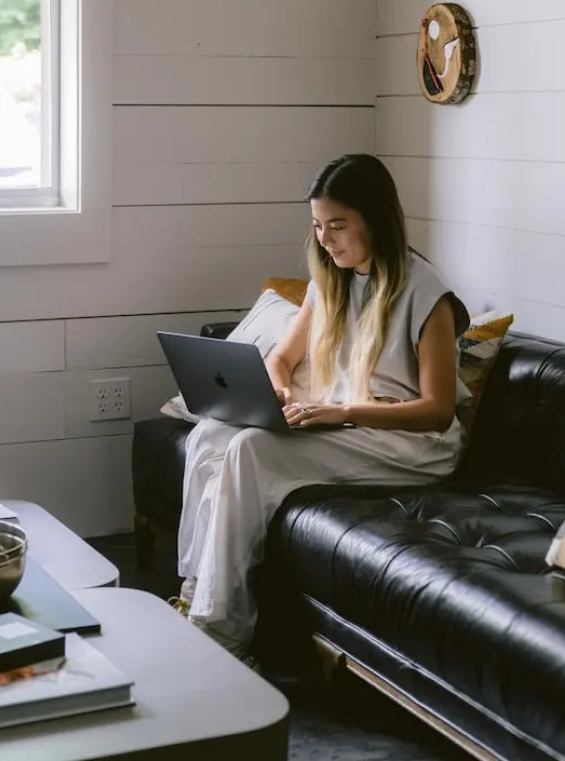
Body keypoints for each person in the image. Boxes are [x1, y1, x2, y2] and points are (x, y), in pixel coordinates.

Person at [172, 154, 470, 665]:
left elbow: (438, 412)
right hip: (348, 423)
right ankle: (196, 592)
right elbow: (282, 358)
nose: (326, 240)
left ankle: (225, 632)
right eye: (317, 226)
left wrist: (343, 412)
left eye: (338, 226)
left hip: (413, 444)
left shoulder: (427, 293)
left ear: (374, 219)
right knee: (210, 434)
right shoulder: (329, 279)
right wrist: (281, 389)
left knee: (250, 451)